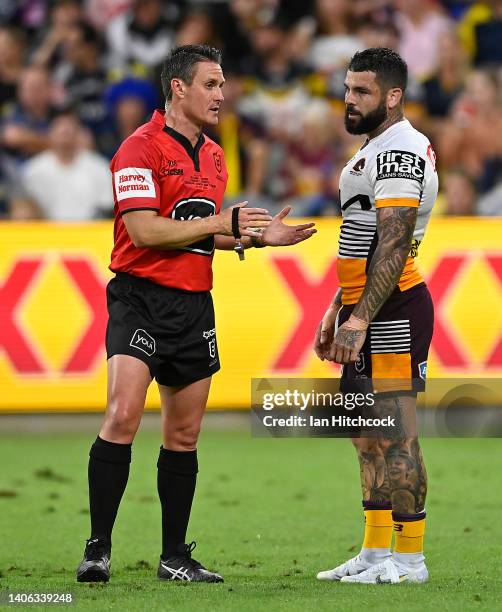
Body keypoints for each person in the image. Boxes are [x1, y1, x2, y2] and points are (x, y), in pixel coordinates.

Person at [76, 44, 316, 584]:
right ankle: (98, 548)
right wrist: (220, 225)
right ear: (178, 88)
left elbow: (202, 234)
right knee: (122, 415)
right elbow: (144, 231)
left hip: (193, 303)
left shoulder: (213, 154)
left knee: (183, 436)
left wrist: (253, 237)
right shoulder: (137, 149)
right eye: (211, 83)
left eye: (223, 83)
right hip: (138, 297)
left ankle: (173, 557)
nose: (221, 94)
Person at [314, 48, 438, 585]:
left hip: (393, 308)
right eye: (347, 89)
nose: (349, 99)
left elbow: (392, 244)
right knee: (365, 435)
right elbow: (360, 242)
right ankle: (373, 553)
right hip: (367, 305)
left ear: (392, 96)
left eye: (361, 91)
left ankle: (410, 560)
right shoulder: (375, 150)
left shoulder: (399, 152)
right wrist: (337, 308)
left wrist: (361, 318)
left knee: (397, 436)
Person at [12, 110, 113, 220]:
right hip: (47, 233)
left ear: (79, 135)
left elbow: (107, 207)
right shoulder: (32, 171)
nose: (65, 138)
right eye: (61, 132)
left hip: (90, 232)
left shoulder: (99, 168)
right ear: (50, 134)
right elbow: (23, 207)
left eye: (69, 132)